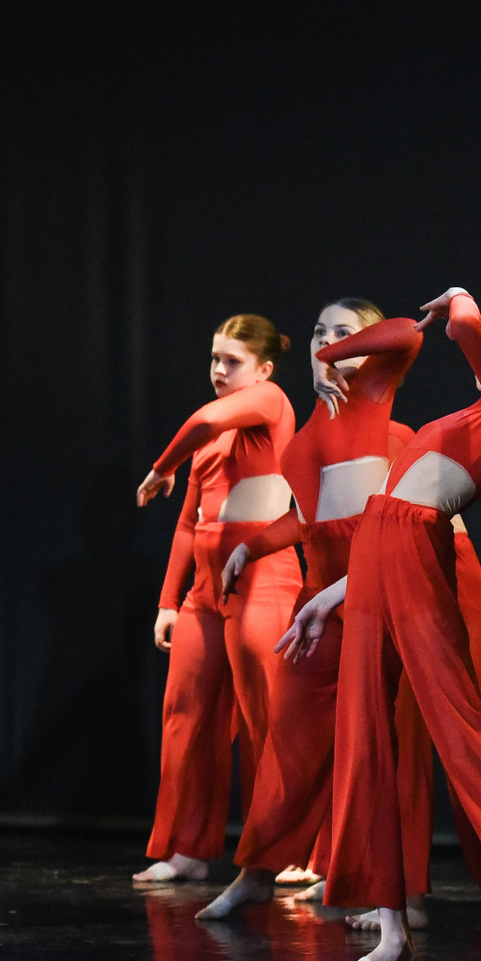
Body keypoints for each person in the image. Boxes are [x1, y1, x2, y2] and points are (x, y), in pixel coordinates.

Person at [279, 289, 481, 961]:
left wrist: (462, 305)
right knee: (366, 740)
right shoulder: (475, 410)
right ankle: (392, 933)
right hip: (380, 555)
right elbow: (404, 339)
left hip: (417, 559)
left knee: (464, 734)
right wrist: (330, 596)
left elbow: (457, 330)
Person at [194, 300, 419, 919]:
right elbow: (310, 515)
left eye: (344, 333)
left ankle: (383, 892)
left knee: (369, 745)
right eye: (320, 332)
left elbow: (406, 333)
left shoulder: (376, 399)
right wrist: (252, 546)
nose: (326, 342)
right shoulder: (317, 421)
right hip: (315, 599)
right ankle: (257, 872)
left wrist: (336, 355)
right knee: (289, 740)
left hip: (369, 596)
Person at [133, 317, 302, 883]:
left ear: (264, 369)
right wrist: (168, 601)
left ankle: (280, 850)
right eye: (214, 359)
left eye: (233, 361)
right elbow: (188, 523)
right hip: (205, 591)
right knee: (185, 714)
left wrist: (161, 467)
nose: (219, 370)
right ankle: (186, 848)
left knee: (265, 719)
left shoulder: (271, 403)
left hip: (262, 578)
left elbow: (205, 419)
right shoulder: (209, 439)